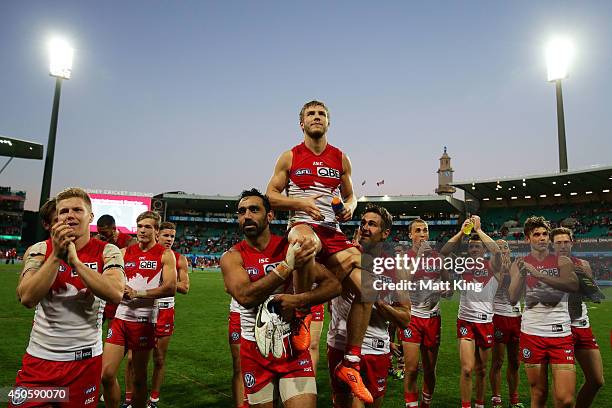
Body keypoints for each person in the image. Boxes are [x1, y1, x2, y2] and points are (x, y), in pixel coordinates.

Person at [266, 100, 373, 403]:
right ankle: (301, 314)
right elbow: (271, 196)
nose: (317, 118)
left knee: (369, 287)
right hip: (304, 225)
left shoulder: (341, 158)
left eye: (322, 114)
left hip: (334, 231)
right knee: (304, 243)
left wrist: (349, 209)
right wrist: (301, 204)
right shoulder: (290, 156)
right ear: (302, 123)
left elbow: (351, 197)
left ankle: (350, 363)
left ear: (328, 122)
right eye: (311, 114)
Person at [222, 189, 341, 408]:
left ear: (270, 216)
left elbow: (334, 284)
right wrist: (286, 267)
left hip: (292, 348)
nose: (246, 215)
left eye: (254, 209)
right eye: (241, 212)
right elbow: (245, 296)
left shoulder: (290, 245)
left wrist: (298, 301)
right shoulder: (231, 257)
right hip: (255, 350)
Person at [12, 187, 125, 407]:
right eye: (64, 211)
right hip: (39, 361)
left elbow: (115, 293)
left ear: (90, 216)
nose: (69, 215)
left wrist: (75, 262)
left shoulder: (108, 251)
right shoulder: (39, 250)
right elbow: (26, 297)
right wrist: (56, 255)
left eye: (77, 210)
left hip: (84, 364)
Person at [327, 204, 411, 408]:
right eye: (363, 223)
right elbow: (327, 295)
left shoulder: (394, 267)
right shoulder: (343, 256)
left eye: (372, 224)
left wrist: (379, 304)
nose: (365, 227)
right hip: (341, 344)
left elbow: (405, 318)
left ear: (385, 233)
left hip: (377, 348)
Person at [101, 211, 177, 408]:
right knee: (106, 374)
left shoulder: (165, 254)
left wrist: (138, 293)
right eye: (140, 226)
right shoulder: (125, 252)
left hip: (144, 321)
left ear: (156, 230)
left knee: (139, 378)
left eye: (148, 227)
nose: (142, 230)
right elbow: (112, 279)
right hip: (120, 318)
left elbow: (170, 287)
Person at [509, 216, 579, 408]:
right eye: (536, 234)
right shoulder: (520, 263)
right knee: (538, 394)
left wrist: (538, 274)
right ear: (527, 239)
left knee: (565, 399)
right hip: (532, 333)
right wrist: (522, 276)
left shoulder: (561, 260)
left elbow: (572, 284)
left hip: (560, 335)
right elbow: (513, 298)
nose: (542, 238)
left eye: (545, 234)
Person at [444, 216, 503, 408]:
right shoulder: (462, 265)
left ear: (483, 250)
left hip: (485, 322)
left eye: (478, 247)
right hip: (466, 321)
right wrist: (462, 232)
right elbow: (444, 252)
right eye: (471, 247)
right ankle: (466, 405)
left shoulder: (493, 267)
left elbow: (497, 250)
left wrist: (478, 230)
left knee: (482, 370)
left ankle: (479, 403)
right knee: (467, 369)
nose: (474, 249)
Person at [399, 218, 451, 408]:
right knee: (411, 369)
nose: (422, 234)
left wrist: (445, 289)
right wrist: (419, 256)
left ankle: (425, 404)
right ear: (410, 235)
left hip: (432, 318)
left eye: (425, 230)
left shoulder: (439, 258)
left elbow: (449, 287)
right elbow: (403, 283)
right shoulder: (404, 258)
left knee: (429, 370)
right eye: (418, 230)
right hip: (412, 318)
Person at [551, 227, 604, 408]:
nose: (563, 245)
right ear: (552, 245)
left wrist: (586, 283)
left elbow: (593, 294)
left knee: (597, 380)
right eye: (558, 242)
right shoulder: (548, 266)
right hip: (560, 328)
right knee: (564, 393)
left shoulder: (583, 263)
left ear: (572, 243)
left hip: (582, 324)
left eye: (566, 242)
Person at [147, 221, 190, 408]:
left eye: (172, 236)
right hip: (145, 309)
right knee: (133, 359)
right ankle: (130, 398)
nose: (169, 239)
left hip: (165, 309)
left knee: (159, 358)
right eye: (166, 235)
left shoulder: (179, 259)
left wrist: (167, 284)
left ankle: (154, 399)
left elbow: (185, 287)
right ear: (157, 235)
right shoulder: (145, 255)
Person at [489, 239, 524, 408]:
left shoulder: (516, 266)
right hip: (499, 316)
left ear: (509, 251)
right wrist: (503, 273)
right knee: (498, 361)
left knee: (515, 362)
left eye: (505, 248)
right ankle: (496, 399)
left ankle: (514, 400)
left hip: (517, 317)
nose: (502, 250)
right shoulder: (492, 266)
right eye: (498, 248)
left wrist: (520, 274)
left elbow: (522, 293)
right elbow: (494, 290)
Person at [98, 214, 135, 323]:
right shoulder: (99, 241)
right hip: (102, 286)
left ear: (114, 229)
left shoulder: (129, 241)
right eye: (99, 232)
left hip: (119, 288)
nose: (101, 235)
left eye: (104, 232)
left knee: (114, 325)